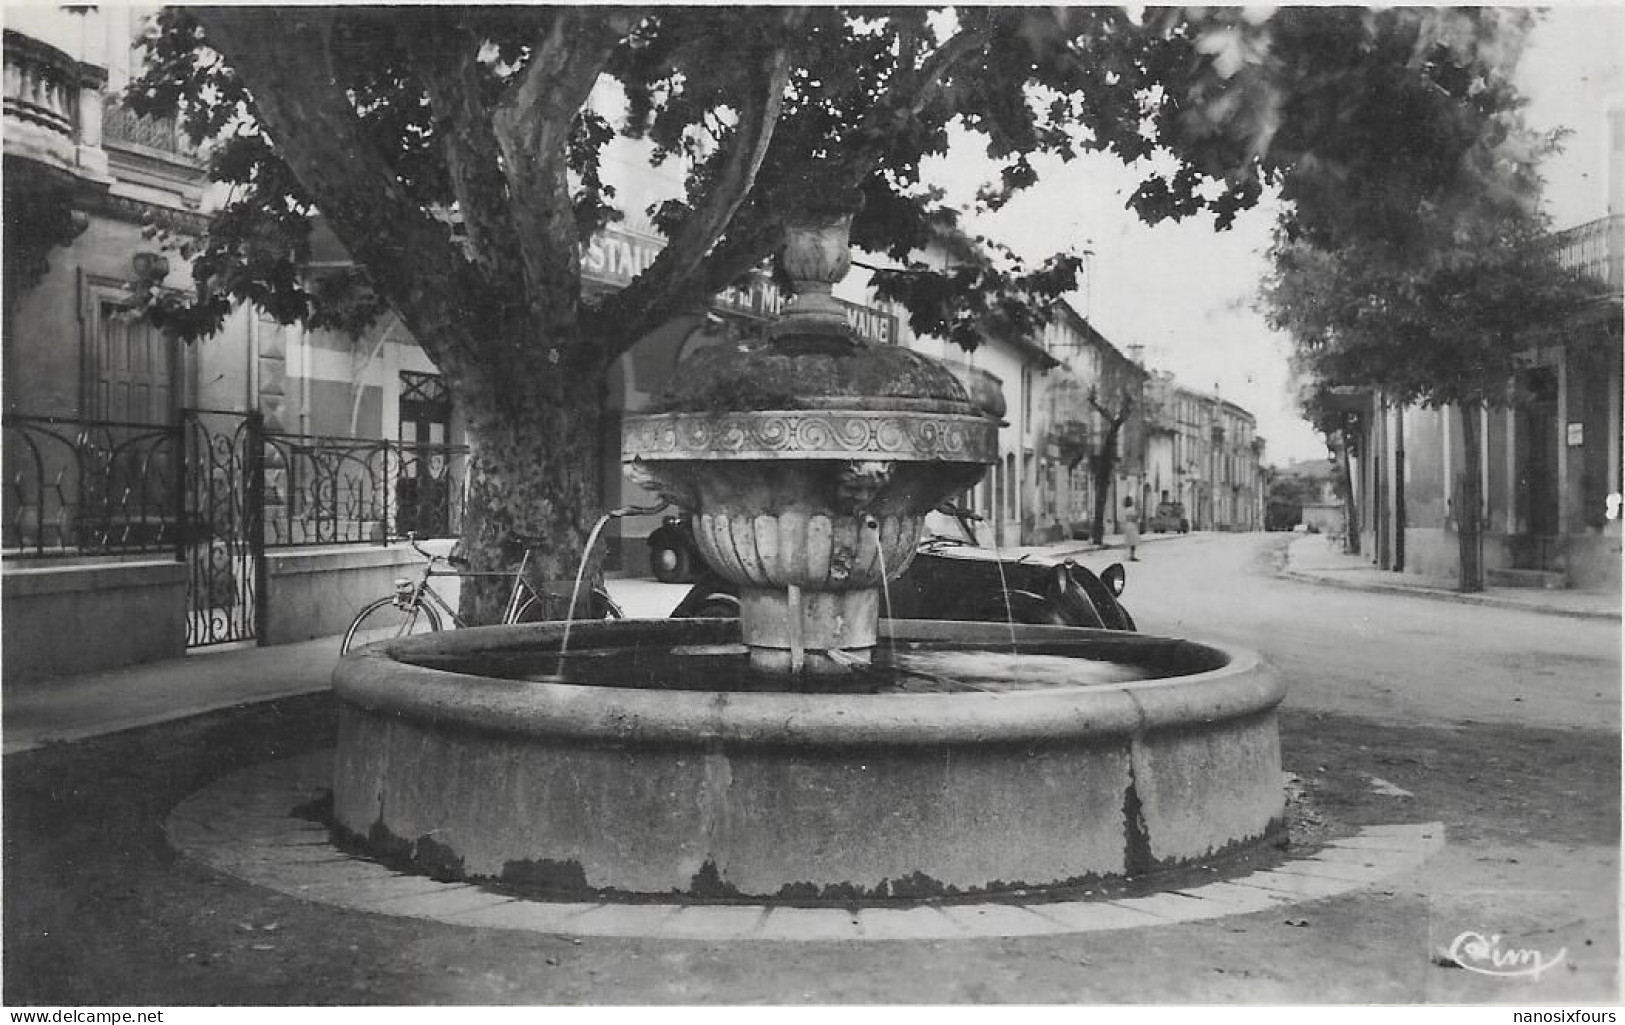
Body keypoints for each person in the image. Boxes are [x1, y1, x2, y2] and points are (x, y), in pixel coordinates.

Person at [1122, 496, 1140, 561]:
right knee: (1133, 541)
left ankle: (1127, 555)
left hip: (1127, 525)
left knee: (1128, 541)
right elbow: (1134, 518)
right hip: (1132, 525)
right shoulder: (1131, 509)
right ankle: (1132, 556)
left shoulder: (1125, 509)